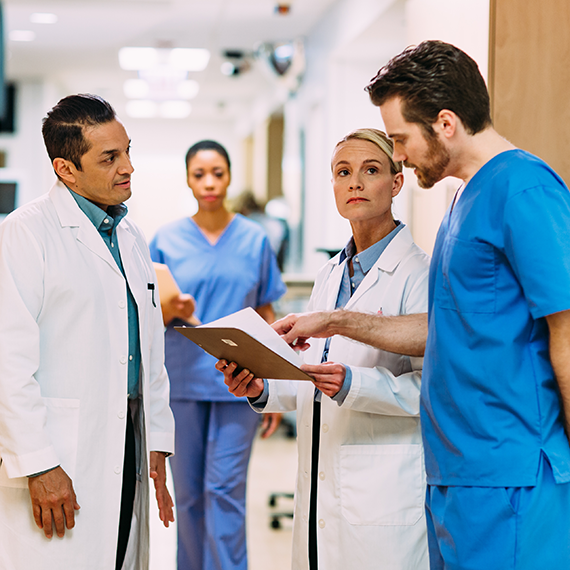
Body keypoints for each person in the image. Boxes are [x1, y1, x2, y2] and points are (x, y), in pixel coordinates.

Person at [365, 40, 570, 569]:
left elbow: (567, 330)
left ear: (446, 124)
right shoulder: (462, 198)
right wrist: (334, 321)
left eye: (400, 140)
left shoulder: (523, 188)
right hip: (458, 474)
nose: (399, 157)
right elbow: (452, 328)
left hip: (513, 476)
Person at [218, 128, 430, 570]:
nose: (354, 182)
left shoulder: (419, 275)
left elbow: (431, 392)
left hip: (382, 493)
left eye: (370, 170)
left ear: (396, 183)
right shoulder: (328, 275)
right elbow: (309, 376)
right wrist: (260, 387)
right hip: (321, 491)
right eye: (342, 172)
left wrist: (355, 384)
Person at [0, 94, 175, 570]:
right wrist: (38, 463)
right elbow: (7, 364)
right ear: (66, 169)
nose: (129, 168)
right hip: (61, 452)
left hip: (126, 439)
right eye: (110, 158)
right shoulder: (24, 234)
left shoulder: (130, 237)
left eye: (128, 152)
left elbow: (148, 350)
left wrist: (157, 438)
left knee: (118, 554)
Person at [149, 140, 286, 570]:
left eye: (218, 173)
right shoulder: (165, 240)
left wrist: (275, 386)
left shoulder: (254, 239)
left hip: (241, 383)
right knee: (188, 493)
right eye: (199, 174)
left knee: (225, 490)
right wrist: (175, 310)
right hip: (183, 382)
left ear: (228, 177)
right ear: (188, 179)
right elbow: (151, 312)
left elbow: (267, 312)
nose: (209, 183)